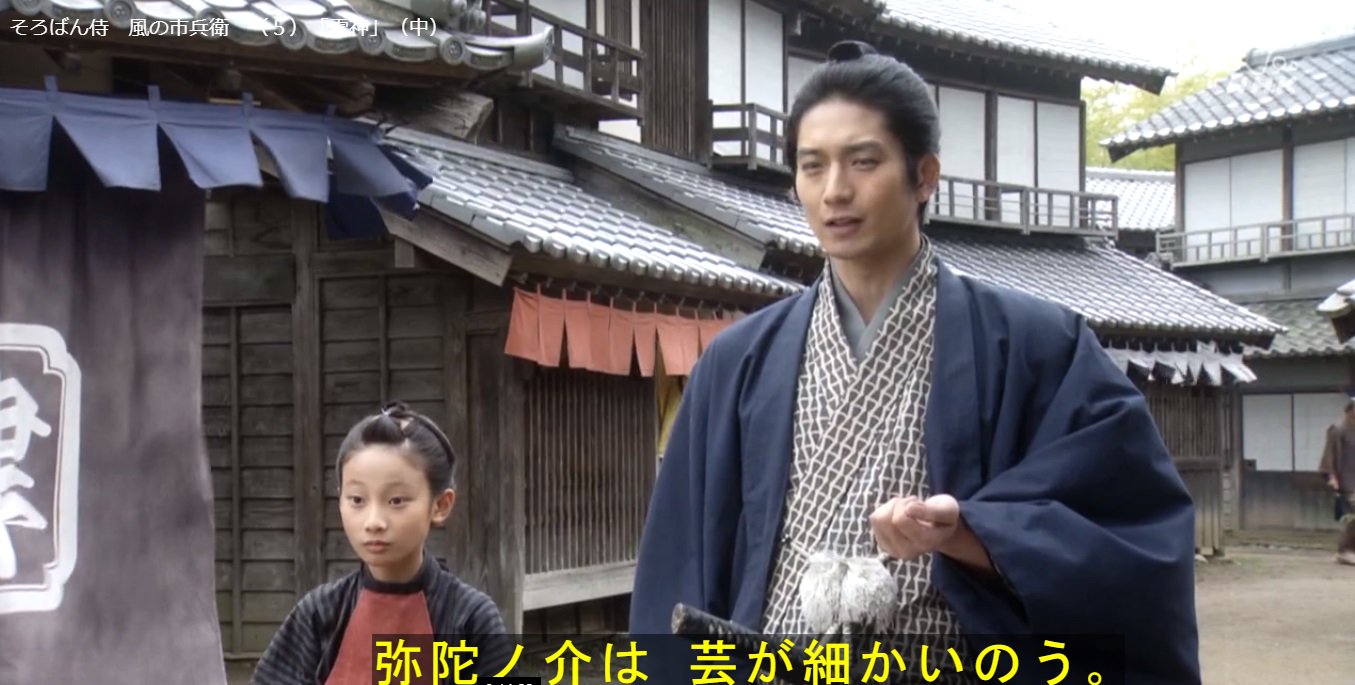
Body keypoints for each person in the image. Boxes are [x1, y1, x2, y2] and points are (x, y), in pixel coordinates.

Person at [629, 41, 1201, 684]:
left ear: (924, 175)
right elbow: (681, 560)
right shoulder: (737, 363)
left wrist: (968, 534)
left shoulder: (1037, 347)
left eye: (863, 161)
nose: (835, 191)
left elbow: (1131, 538)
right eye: (812, 167)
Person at [251, 401, 513, 684]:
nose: (373, 521)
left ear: (440, 505)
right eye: (357, 500)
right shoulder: (320, 613)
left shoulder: (471, 618)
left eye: (396, 501)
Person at [1318, 400, 1355, 566]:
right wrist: (1331, 476)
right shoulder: (1338, 430)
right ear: (1350, 410)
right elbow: (1329, 454)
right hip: (1347, 480)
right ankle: (1345, 551)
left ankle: (1347, 550)